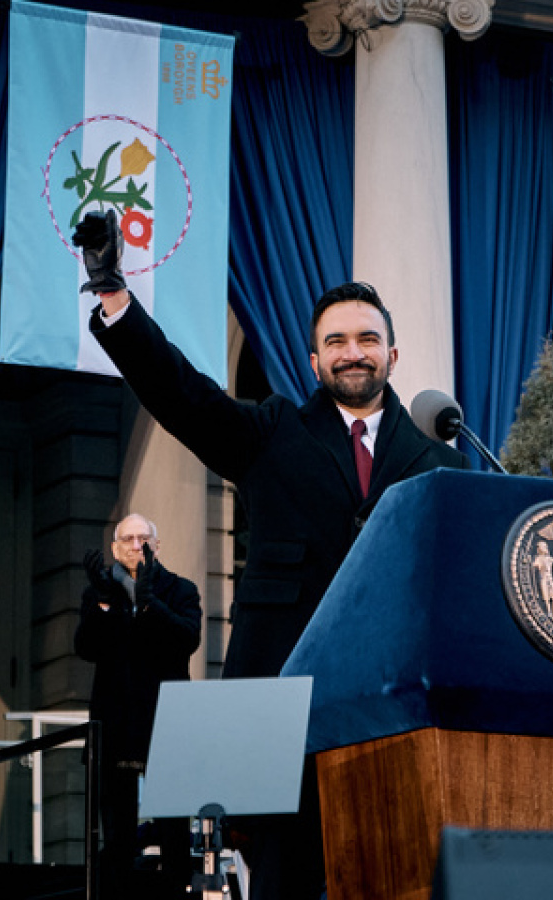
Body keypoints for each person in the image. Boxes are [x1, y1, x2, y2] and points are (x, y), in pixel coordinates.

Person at [76, 215, 467, 900]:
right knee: (285, 879)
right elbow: (183, 395)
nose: (353, 352)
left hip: (397, 701)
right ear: (314, 361)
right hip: (282, 698)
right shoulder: (273, 432)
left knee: (396, 872)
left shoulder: (440, 463)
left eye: (368, 339)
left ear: (393, 357)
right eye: (336, 341)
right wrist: (114, 297)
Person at [75, 515, 204, 895]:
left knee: (174, 837)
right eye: (127, 539)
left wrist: (149, 604)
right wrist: (102, 602)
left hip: (166, 724)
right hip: (115, 727)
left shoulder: (180, 589)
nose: (135, 545)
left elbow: (187, 639)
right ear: (115, 549)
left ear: (156, 546)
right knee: (116, 839)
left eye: (142, 539)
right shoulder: (99, 593)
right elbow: (86, 648)